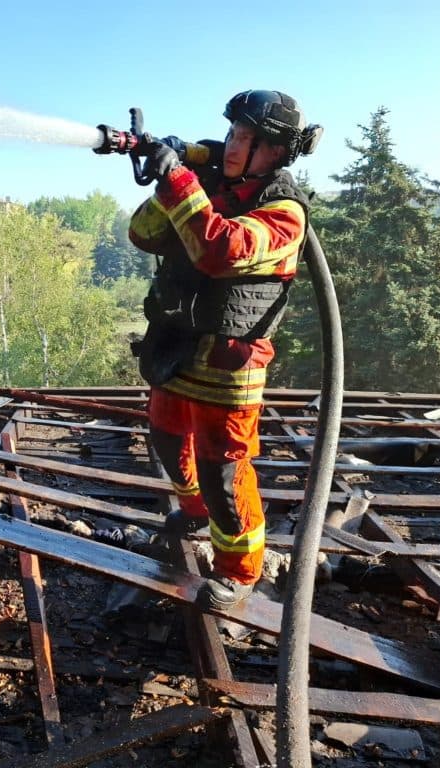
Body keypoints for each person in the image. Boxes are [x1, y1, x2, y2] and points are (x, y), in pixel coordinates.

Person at [128, 90, 321, 610]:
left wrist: (181, 181)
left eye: (245, 138)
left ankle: (238, 572)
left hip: (229, 365)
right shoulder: (211, 186)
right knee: (168, 440)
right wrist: (166, 175)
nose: (233, 146)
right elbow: (142, 234)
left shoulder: (284, 213)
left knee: (224, 470)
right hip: (176, 344)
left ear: (275, 150)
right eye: (231, 133)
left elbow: (220, 249)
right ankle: (193, 512)